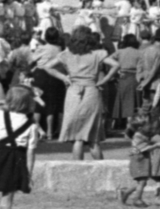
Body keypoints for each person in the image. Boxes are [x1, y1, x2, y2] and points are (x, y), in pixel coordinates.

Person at [47, 28, 117, 161]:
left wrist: (64, 77)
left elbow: (47, 66)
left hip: (73, 92)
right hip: (92, 90)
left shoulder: (67, 55)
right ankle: (101, 171)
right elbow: (116, 65)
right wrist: (104, 80)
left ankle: (77, 171)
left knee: (77, 138)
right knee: (93, 139)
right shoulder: (97, 54)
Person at [121, 110, 160, 207]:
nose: (150, 126)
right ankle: (137, 199)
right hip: (138, 161)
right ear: (140, 127)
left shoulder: (142, 135)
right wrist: (156, 146)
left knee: (141, 182)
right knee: (142, 182)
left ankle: (125, 192)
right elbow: (142, 149)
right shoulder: (138, 136)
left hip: (142, 160)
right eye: (147, 125)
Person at [111, 33, 143, 131]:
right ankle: (131, 127)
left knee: (125, 103)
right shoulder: (139, 52)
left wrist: (117, 69)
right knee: (133, 103)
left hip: (123, 78)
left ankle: (126, 126)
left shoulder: (120, 52)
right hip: (135, 78)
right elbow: (141, 68)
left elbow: (108, 59)